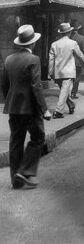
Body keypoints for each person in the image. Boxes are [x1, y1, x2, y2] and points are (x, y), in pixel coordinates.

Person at [1, 24, 52, 189]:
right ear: (32, 43)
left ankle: (16, 181)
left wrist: (11, 98)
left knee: (16, 141)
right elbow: (36, 87)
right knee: (38, 138)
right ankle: (26, 170)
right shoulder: (33, 59)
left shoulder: (8, 60)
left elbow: (4, 85)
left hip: (14, 107)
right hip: (30, 108)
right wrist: (45, 109)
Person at [48, 22, 84, 119]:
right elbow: (80, 56)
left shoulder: (54, 44)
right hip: (68, 72)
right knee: (64, 92)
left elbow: (51, 60)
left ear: (60, 33)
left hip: (57, 72)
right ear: (69, 33)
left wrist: (50, 73)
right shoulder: (72, 43)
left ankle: (68, 106)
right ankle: (59, 111)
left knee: (63, 91)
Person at [70, 19, 84, 99]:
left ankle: (66, 93)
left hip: (67, 61)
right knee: (77, 78)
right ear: (79, 28)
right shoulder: (81, 38)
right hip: (77, 61)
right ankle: (73, 93)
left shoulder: (68, 37)